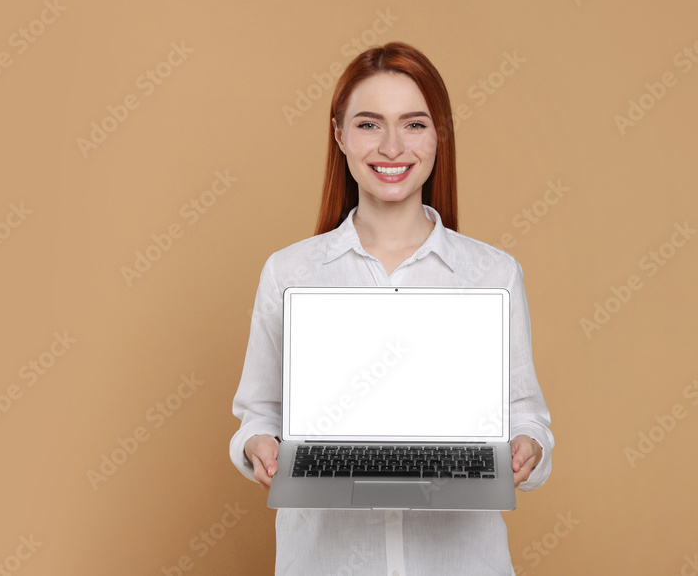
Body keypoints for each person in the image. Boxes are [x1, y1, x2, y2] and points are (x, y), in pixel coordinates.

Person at [229, 41, 554, 575]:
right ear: (339, 135)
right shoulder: (289, 274)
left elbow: (528, 415)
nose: (392, 146)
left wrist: (527, 445)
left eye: (414, 124)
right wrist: (259, 444)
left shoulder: (492, 273)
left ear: (438, 135)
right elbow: (258, 415)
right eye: (368, 124)